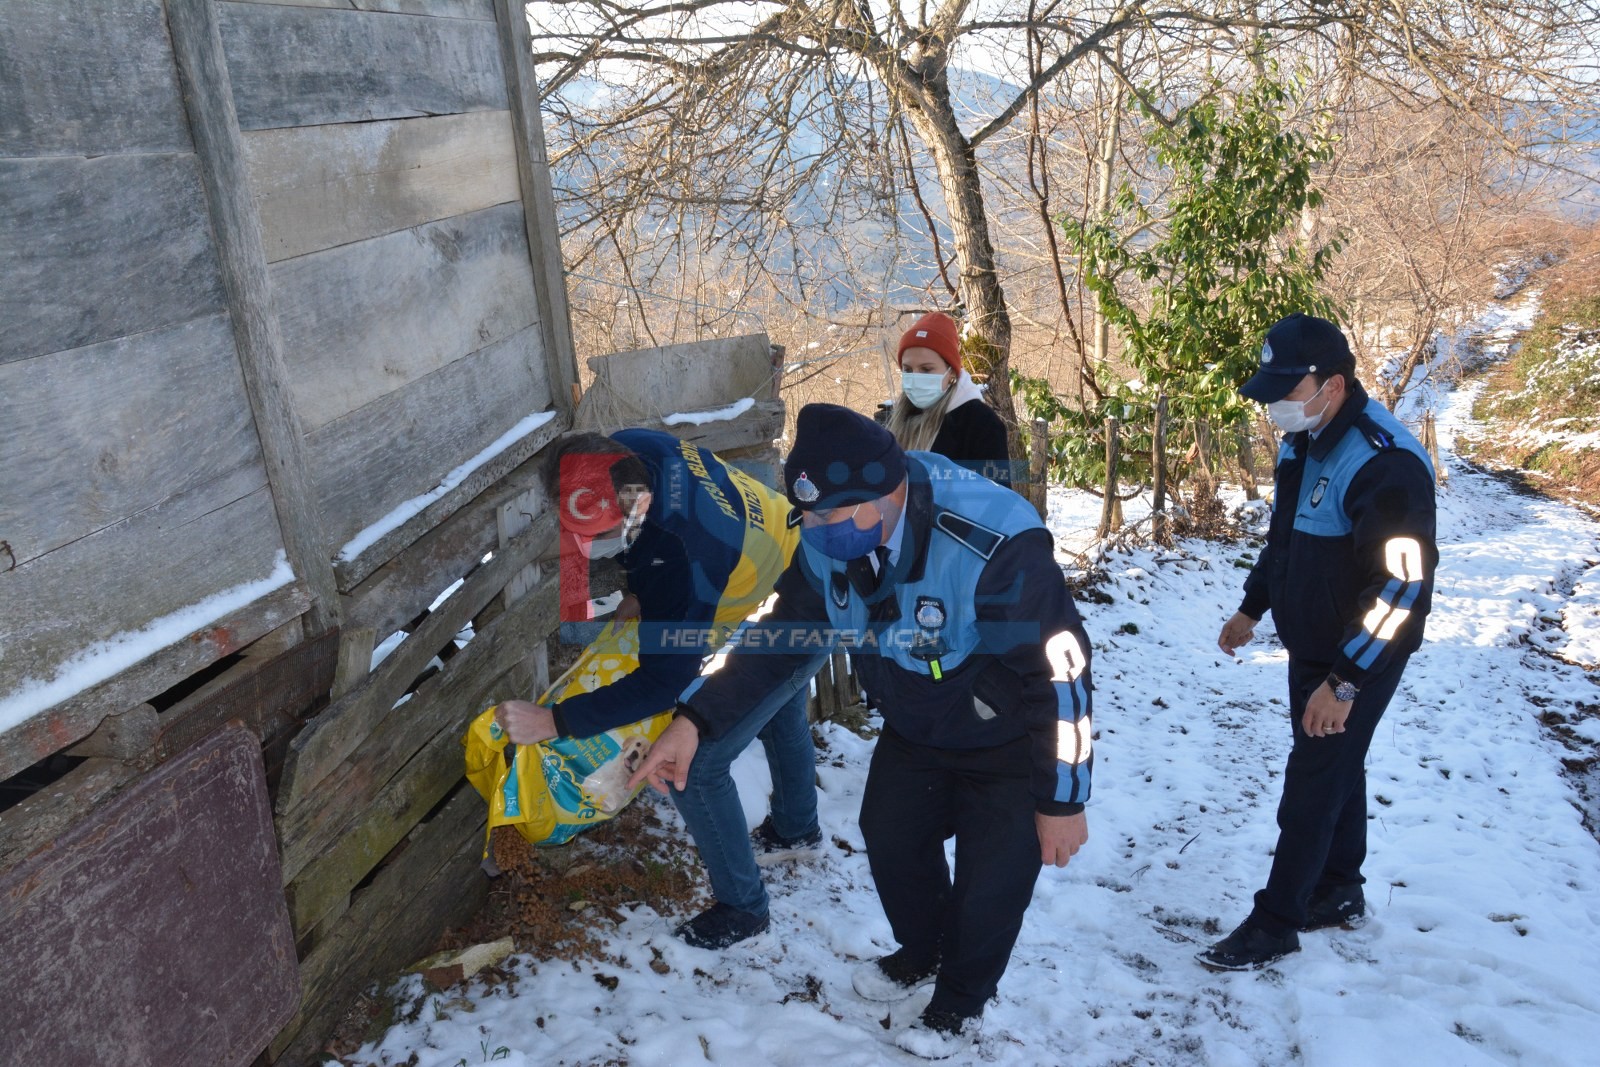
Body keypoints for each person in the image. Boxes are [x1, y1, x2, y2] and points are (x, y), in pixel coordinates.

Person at [630, 404, 1094, 1058]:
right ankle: (926, 949)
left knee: (991, 884)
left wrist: (1063, 798)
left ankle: (960, 1002)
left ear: (890, 491)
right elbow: (779, 640)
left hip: (1012, 734)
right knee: (891, 835)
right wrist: (695, 721)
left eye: (832, 516)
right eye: (809, 517)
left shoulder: (989, 541)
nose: (818, 531)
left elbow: (1062, 669)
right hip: (917, 720)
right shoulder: (826, 540)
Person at [495, 430, 826, 949]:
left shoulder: (681, 556)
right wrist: (641, 592)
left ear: (637, 505)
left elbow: (662, 684)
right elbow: (649, 551)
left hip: (801, 601)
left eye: (603, 532)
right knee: (779, 706)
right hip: (793, 552)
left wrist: (553, 721)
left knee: (696, 759)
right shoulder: (630, 449)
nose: (588, 544)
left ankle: (743, 908)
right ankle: (797, 829)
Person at [1199, 313, 1438, 971]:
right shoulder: (1302, 442)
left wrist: (1346, 680)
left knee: (1312, 778)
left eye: (1287, 389)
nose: (1275, 404)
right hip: (1312, 641)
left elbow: (1402, 590)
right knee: (1335, 764)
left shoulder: (1385, 464)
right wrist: (1252, 606)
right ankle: (1338, 887)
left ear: (1332, 384)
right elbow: (1285, 539)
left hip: (1363, 649)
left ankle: (1277, 921)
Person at [885, 311, 1014, 488]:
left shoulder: (981, 424)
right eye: (907, 370)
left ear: (951, 371)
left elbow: (995, 497)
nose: (915, 377)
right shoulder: (897, 419)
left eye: (926, 369)